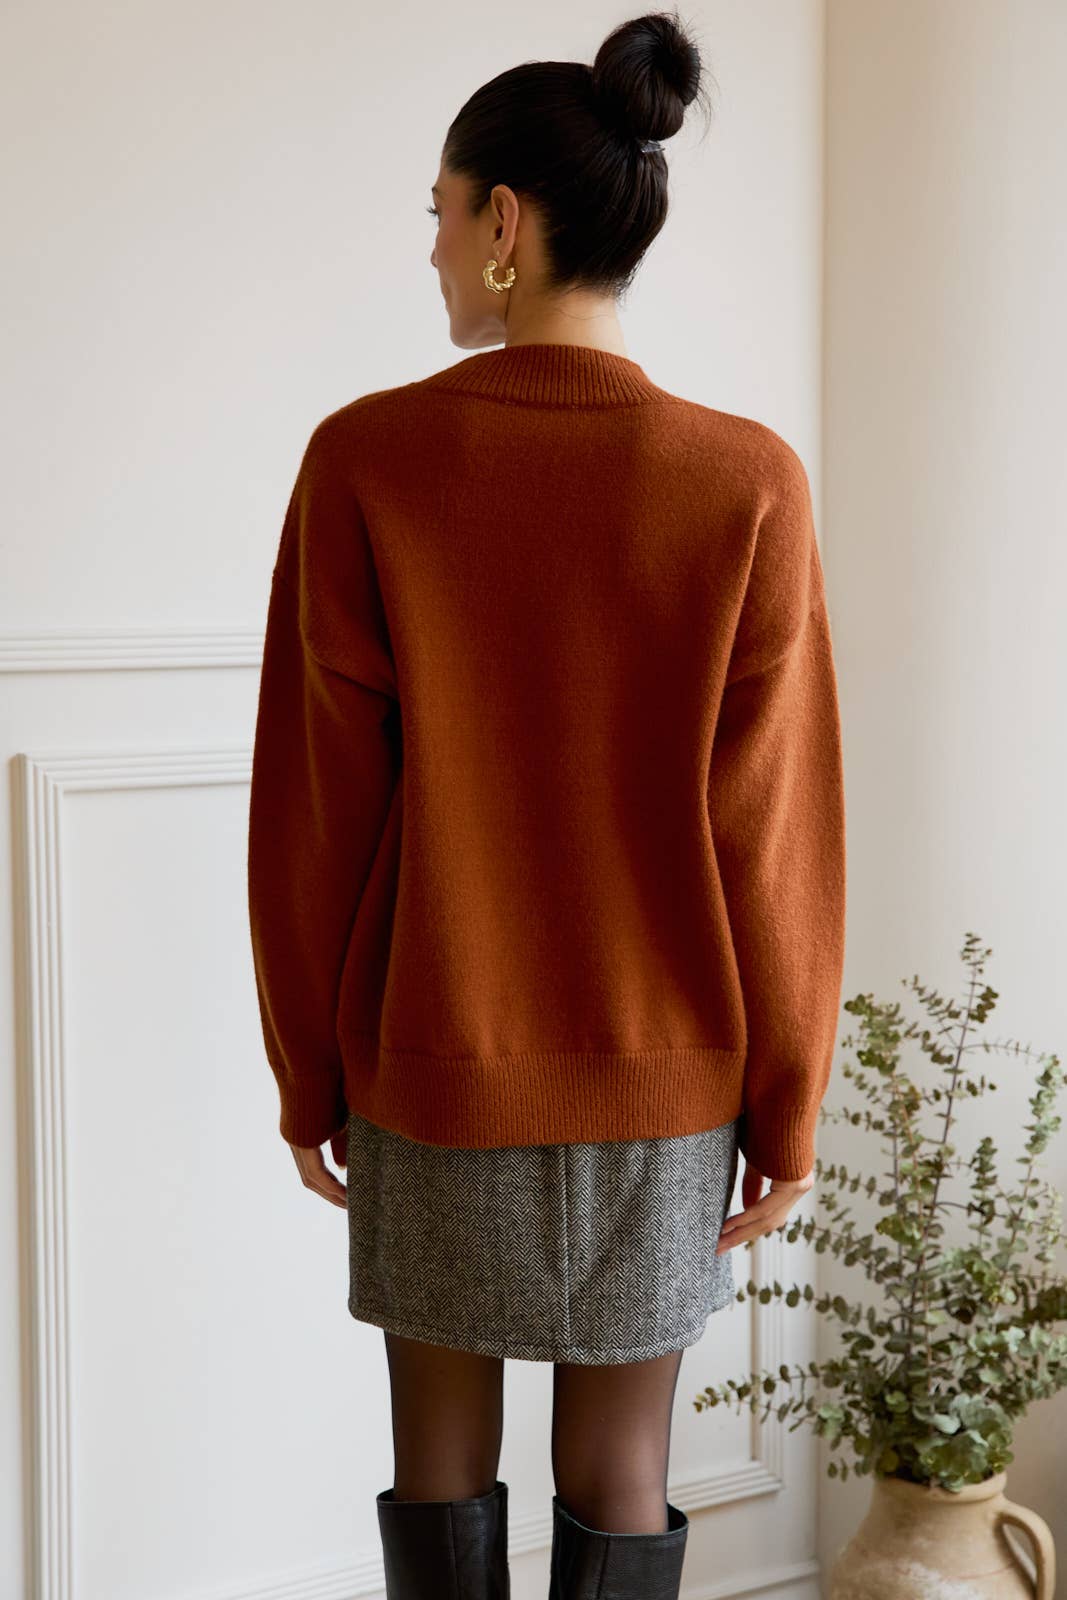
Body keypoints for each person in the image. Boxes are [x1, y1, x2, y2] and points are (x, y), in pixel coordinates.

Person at [246, 9, 847, 1598]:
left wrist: (312, 1067)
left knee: (439, 1466)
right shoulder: (748, 483)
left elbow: (321, 813)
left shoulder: (367, 462)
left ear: (505, 224)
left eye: (439, 213)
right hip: (666, 1086)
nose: (434, 252)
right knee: (625, 1473)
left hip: (436, 1066)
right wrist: (787, 1104)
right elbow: (770, 833)